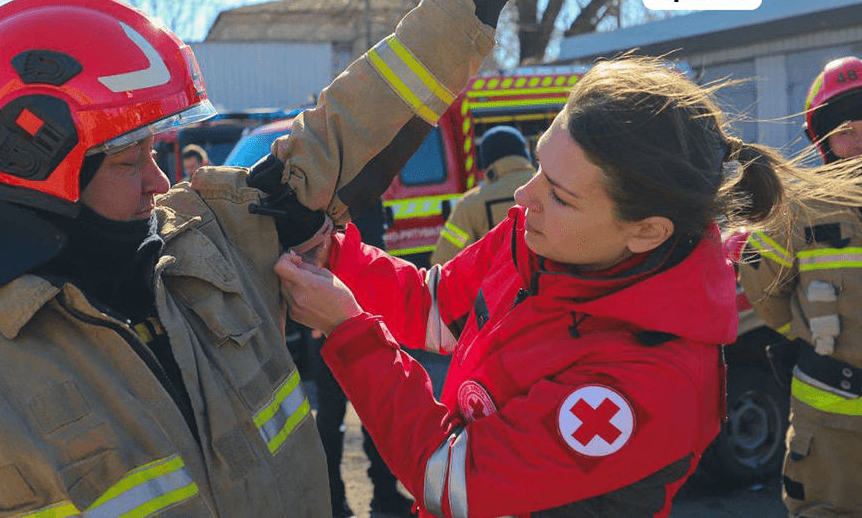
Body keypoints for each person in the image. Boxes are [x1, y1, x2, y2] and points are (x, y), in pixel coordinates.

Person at [0, 0, 578, 516]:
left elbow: (346, 129)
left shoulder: (205, 242)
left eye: (159, 151)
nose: (160, 182)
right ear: (33, 161)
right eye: (129, 159)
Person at [275, 54, 862, 518]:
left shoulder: (650, 381)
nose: (524, 198)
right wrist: (338, 256)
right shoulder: (539, 238)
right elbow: (434, 304)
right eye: (539, 168)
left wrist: (348, 332)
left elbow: (448, 476)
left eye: (560, 193)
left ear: (646, 231)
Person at [739, 56, 862, 518]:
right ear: (823, 138)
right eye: (845, 129)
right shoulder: (798, 208)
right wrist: (805, 335)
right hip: (829, 428)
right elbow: (759, 282)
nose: (858, 142)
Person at [311, 198, 415, 518]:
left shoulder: (365, 194)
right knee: (332, 416)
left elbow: (377, 256)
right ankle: (334, 500)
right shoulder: (314, 191)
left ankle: (383, 494)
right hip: (325, 316)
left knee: (376, 412)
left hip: (364, 315)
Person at [430, 125, 535, 264]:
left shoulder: (469, 204)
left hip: (497, 284)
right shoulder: (552, 187)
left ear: (486, 161)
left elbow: (444, 260)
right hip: (552, 283)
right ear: (525, 154)